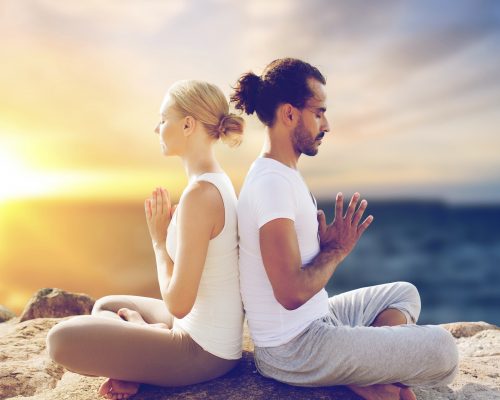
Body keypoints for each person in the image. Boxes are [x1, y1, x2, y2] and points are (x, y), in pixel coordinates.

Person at [231, 58, 459, 400]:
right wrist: (335, 252)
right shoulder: (271, 184)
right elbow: (290, 293)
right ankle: (368, 378)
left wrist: (322, 250)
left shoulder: (283, 174)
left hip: (320, 319)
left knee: (404, 292)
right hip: (293, 348)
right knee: (445, 352)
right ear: (290, 114)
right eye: (319, 112)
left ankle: (368, 377)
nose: (327, 124)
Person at [46, 80, 245, 400]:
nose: (157, 128)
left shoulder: (201, 195)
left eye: (163, 119)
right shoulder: (213, 183)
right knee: (108, 305)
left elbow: (179, 302)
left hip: (202, 352)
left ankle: (141, 349)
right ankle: (143, 341)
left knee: (59, 340)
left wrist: (158, 240)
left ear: (188, 125)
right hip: (192, 328)